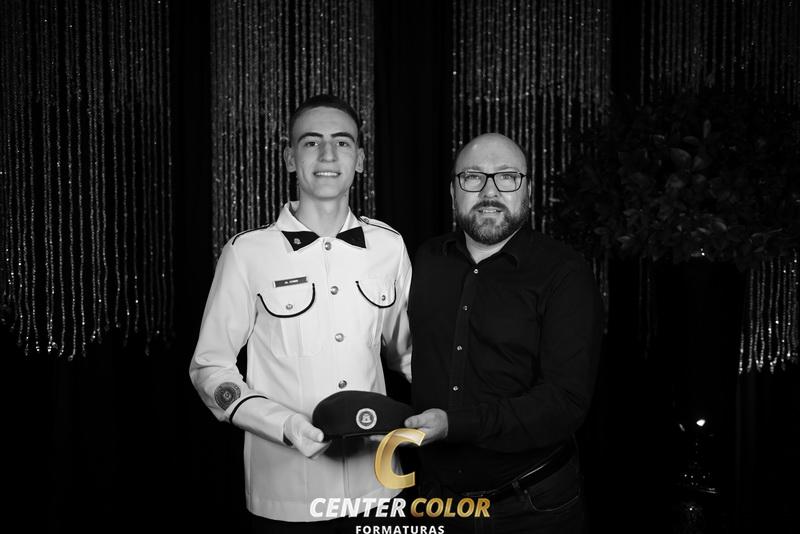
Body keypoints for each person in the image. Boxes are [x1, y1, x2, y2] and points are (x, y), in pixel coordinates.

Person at [189, 94, 412, 532]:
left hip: (380, 484)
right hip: (287, 492)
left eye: (342, 142)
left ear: (360, 159)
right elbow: (210, 367)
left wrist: (467, 407)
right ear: (290, 158)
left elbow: (407, 353)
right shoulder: (246, 253)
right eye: (312, 142)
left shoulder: (389, 246)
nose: (328, 155)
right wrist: (283, 425)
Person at [405, 133, 603, 533]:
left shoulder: (565, 273)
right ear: (453, 191)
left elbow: (564, 402)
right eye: (473, 177)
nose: (490, 192)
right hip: (436, 501)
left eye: (507, 177)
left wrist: (454, 424)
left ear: (527, 190)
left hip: (531, 506)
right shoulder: (426, 260)